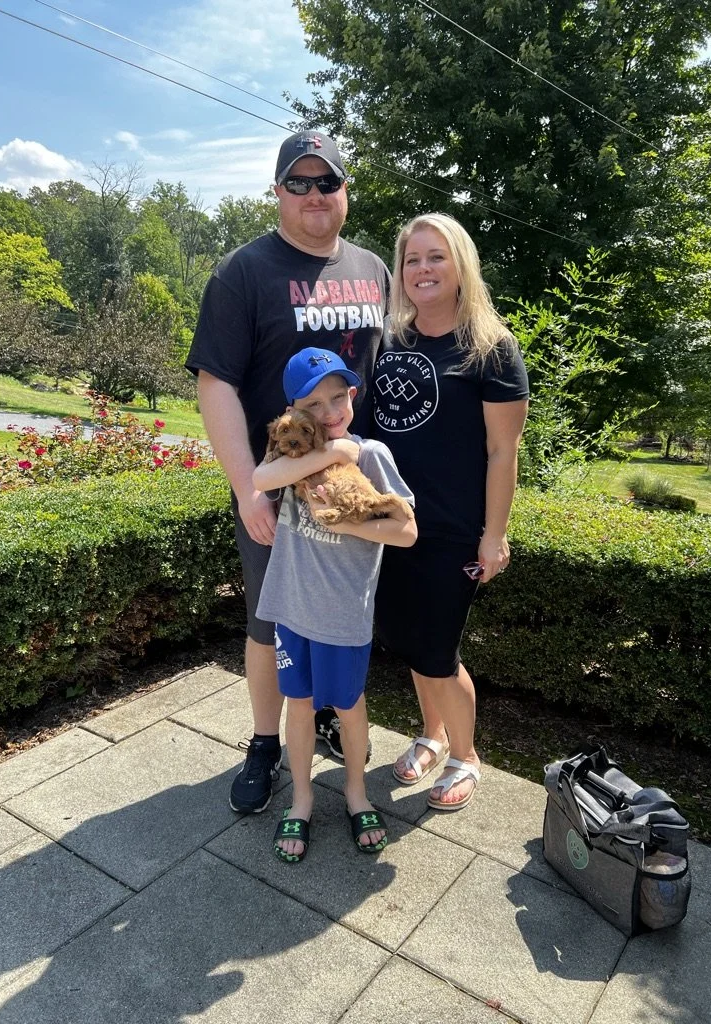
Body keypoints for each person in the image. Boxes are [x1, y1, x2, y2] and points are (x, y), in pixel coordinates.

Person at [185, 131, 389, 816]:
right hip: (274, 487)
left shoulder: (372, 268)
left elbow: (378, 379)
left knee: (341, 611)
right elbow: (216, 385)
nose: (312, 196)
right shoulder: (243, 271)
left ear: (344, 191)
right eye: (297, 183)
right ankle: (266, 742)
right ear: (276, 191)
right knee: (270, 623)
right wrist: (247, 489)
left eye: (325, 182)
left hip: (348, 483)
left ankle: (323, 715)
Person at [372, 213, 529, 812]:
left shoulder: (492, 348)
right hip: (388, 525)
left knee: (437, 649)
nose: (422, 269)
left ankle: (466, 755)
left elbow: (501, 450)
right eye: (412, 259)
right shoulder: (389, 342)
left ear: (460, 264)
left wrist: (494, 536)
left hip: (451, 529)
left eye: (435, 257)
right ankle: (432, 736)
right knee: (408, 641)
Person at [253, 347, 416, 861]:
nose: (329, 413)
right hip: (291, 603)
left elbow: (407, 531)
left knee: (347, 704)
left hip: (342, 611)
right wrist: (328, 455)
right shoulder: (286, 457)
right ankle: (301, 799)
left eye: (338, 397)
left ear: (353, 395)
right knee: (297, 703)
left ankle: (356, 793)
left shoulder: (373, 454)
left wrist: (343, 523)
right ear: (293, 413)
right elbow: (259, 481)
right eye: (314, 405)